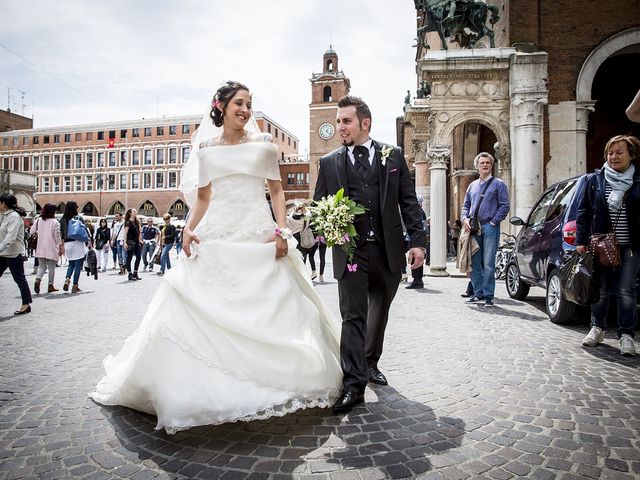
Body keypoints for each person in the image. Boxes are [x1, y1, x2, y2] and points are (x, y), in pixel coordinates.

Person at [90, 81, 341, 433]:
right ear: (221, 106)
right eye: (239, 102)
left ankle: (268, 378)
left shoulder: (265, 146)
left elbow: (277, 191)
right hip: (217, 234)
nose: (245, 109)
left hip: (257, 234)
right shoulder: (206, 149)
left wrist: (282, 230)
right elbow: (204, 199)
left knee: (270, 305)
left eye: (250, 104)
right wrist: (188, 228)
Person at [314, 95, 426, 412]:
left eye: (345, 121)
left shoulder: (393, 156)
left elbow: (409, 202)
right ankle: (353, 385)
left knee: (379, 310)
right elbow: (318, 207)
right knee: (353, 317)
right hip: (350, 252)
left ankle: (369, 361)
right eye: (338, 121)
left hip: (388, 249)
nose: (340, 127)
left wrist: (417, 241)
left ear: (365, 123)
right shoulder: (329, 163)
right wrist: (328, 226)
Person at [577, 134, 640, 356]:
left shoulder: (638, 181)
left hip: (630, 246)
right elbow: (583, 212)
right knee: (601, 290)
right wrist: (580, 241)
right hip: (601, 244)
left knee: (626, 291)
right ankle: (597, 328)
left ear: (631, 154)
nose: (613, 157)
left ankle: (626, 336)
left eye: (619, 152)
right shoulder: (594, 180)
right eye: (610, 153)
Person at [0, 193, 32, 315]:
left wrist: (1, 247)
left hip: (13, 253)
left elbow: (10, 237)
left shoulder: (14, 217)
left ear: (3, 203)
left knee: (19, 279)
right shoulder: (4, 215)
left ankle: (26, 304)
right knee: (20, 279)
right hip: (3, 254)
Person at [31, 203, 63, 294]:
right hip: (51, 247)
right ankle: (50, 285)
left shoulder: (38, 220)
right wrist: (60, 245)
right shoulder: (55, 222)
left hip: (40, 246)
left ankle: (38, 279)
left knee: (42, 266)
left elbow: (32, 231)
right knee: (51, 267)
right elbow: (57, 235)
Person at [59, 201, 87, 293]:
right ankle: (75, 285)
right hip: (77, 242)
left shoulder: (62, 219)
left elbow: (61, 234)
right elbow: (84, 230)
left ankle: (67, 279)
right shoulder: (78, 218)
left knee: (71, 265)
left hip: (67, 244)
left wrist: (62, 245)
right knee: (78, 265)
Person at [123, 208, 142, 281]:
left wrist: (140, 240)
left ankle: (135, 272)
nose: (135, 212)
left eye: (135, 211)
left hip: (137, 242)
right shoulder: (128, 222)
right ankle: (130, 274)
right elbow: (125, 233)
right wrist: (124, 242)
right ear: (130, 213)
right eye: (134, 211)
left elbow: (140, 232)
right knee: (129, 258)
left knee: (139, 257)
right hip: (130, 242)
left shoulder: (137, 221)